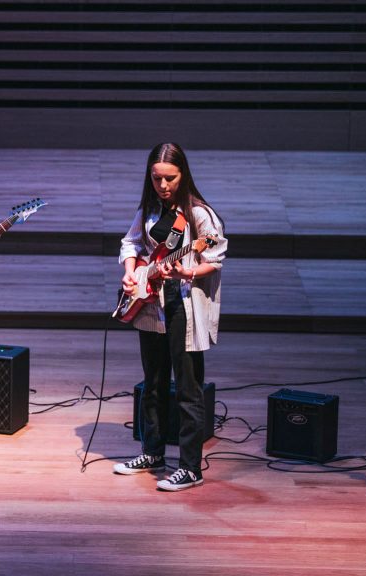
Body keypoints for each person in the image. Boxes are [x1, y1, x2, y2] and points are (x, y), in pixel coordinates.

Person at [112, 142, 227, 491]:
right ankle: (153, 452)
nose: (163, 185)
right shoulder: (149, 209)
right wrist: (131, 272)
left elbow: (214, 257)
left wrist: (186, 272)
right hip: (151, 302)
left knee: (188, 388)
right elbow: (131, 243)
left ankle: (190, 468)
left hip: (183, 303)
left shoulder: (199, 214)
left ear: (183, 175)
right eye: (157, 178)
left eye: (170, 178)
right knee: (153, 382)